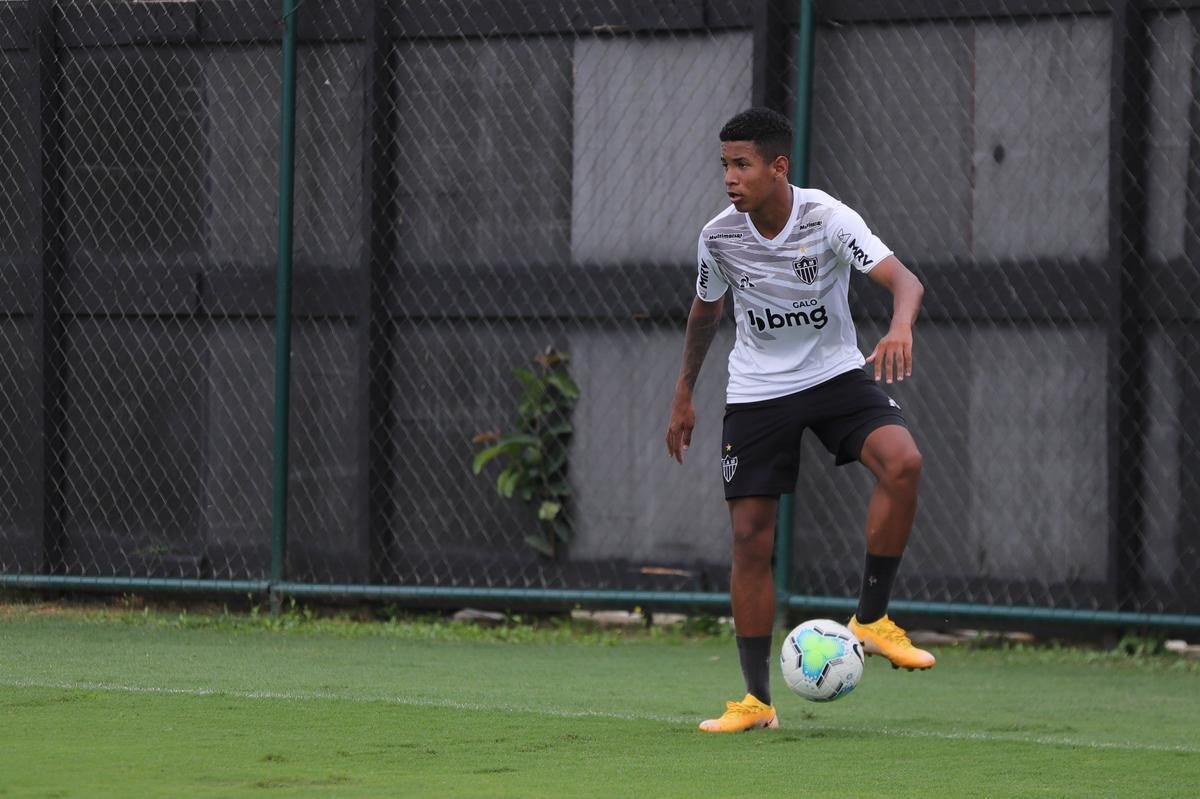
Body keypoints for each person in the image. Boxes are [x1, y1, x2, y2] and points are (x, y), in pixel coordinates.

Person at [665, 107, 934, 734]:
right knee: (750, 539)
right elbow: (704, 315)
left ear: (778, 166)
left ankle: (870, 619)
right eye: (724, 165)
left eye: (743, 164)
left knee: (904, 462)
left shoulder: (827, 217)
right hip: (758, 390)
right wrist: (684, 393)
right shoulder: (718, 236)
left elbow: (906, 282)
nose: (730, 178)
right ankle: (756, 702)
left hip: (835, 374)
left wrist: (899, 327)